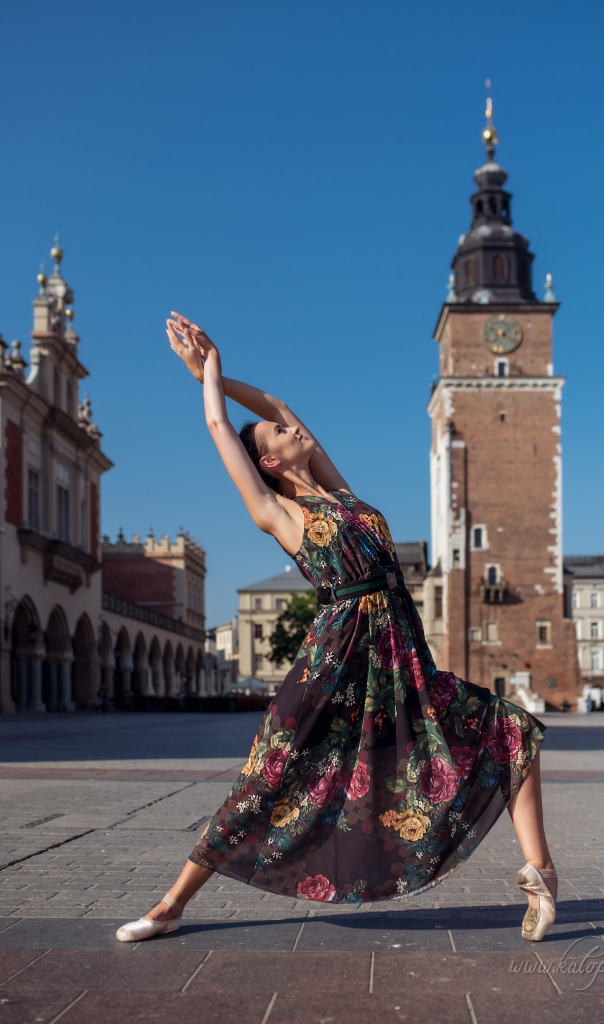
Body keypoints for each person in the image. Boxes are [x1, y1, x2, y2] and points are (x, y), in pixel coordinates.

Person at [115, 313, 557, 944]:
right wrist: (204, 374)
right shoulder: (277, 512)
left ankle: (540, 874)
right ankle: (171, 904)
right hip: (334, 666)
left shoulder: (342, 497)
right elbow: (220, 426)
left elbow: (278, 401)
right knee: (267, 779)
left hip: (401, 664)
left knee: (513, 729)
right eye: (281, 433)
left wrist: (228, 371)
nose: (296, 428)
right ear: (267, 460)